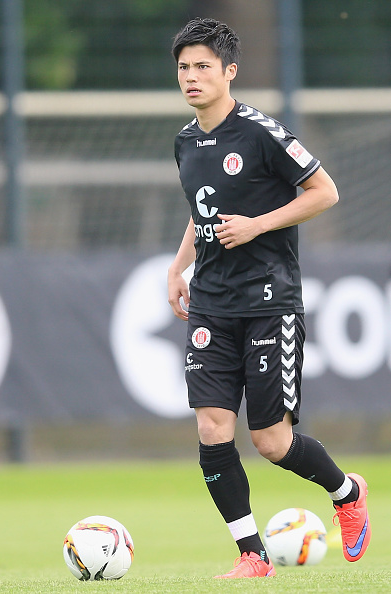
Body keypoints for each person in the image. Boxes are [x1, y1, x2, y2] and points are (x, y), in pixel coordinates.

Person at [167, 17, 371, 579]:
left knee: (272, 442)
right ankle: (252, 555)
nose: (191, 77)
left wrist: (257, 225)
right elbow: (199, 209)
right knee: (212, 425)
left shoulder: (260, 132)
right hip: (210, 301)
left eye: (203, 66)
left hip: (268, 301)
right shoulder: (186, 141)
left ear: (230, 72)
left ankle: (348, 492)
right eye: (184, 67)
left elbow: (324, 191)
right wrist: (178, 266)